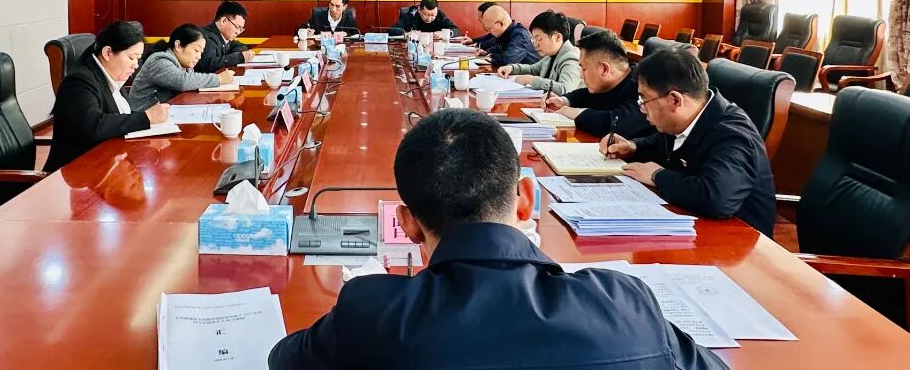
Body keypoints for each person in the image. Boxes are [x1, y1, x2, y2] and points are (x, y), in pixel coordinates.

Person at [268, 109, 727, 370]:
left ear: (407, 224)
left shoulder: (371, 312)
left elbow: (282, 360)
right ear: (525, 198)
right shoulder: (624, 305)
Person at [601, 47, 776, 236]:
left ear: (675, 100)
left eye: (645, 101)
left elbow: (717, 199)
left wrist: (657, 176)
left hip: (735, 240)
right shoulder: (689, 117)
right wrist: (633, 147)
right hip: (692, 223)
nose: (642, 109)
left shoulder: (733, 136)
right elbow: (666, 142)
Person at [45, 20, 169, 172]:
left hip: (105, 162)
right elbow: (93, 125)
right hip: (78, 171)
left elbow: (118, 116)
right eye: (131, 58)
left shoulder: (112, 78)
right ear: (107, 53)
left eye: (138, 58)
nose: (136, 65)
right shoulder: (79, 82)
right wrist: (146, 118)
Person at [543, 29, 652, 138]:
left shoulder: (644, 87)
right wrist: (563, 101)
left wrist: (574, 112)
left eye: (584, 69)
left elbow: (616, 124)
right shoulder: (614, 81)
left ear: (604, 69)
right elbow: (587, 94)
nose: (581, 76)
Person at [128, 23, 235, 111]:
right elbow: (182, 82)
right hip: (141, 119)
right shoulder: (159, 60)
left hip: (162, 115)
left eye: (201, 52)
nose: (199, 56)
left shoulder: (184, 64)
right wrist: (219, 78)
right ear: (178, 45)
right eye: (196, 50)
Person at [496, 11, 582, 95]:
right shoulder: (550, 55)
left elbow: (565, 89)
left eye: (539, 39)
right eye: (534, 39)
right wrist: (511, 68)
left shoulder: (572, 58)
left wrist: (531, 80)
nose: (536, 44)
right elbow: (533, 69)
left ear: (557, 37)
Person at [197, 1, 254, 73]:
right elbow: (208, 64)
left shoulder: (225, 36)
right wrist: (239, 57)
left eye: (241, 29)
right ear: (223, 21)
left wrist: (231, 57)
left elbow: (241, 46)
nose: (238, 32)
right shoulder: (208, 38)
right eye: (237, 27)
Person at [388, 0, 461, 38]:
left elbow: (456, 30)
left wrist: (444, 34)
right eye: (426, 14)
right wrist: (406, 34)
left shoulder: (440, 15)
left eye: (432, 15)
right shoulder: (410, 15)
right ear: (419, 10)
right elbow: (391, 30)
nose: (429, 19)